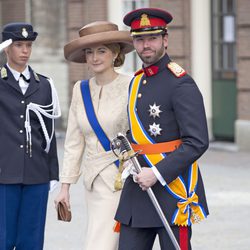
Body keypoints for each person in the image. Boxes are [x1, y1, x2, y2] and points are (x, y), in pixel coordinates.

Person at [115, 8, 209, 250]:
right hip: (137, 192)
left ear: (165, 40)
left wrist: (156, 174)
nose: (146, 45)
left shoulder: (181, 83)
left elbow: (197, 142)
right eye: (139, 39)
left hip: (172, 192)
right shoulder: (135, 82)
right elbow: (136, 132)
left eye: (152, 38)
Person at [54, 21, 134, 250]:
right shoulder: (80, 89)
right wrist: (65, 187)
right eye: (89, 52)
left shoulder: (131, 85)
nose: (95, 57)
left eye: (102, 51)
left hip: (124, 179)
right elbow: (73, 141)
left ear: (115, 53)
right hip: (93, 182)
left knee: (102, 243)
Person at [0, 22, 61, 250]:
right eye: (18, 45)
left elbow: (49, 132)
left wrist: (52, 172)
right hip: (4, 174)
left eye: (28, 45)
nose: (25, 50)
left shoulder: (44, 85)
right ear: (7, 48)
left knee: (32, 241)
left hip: (37, 174)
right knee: (3, 239)